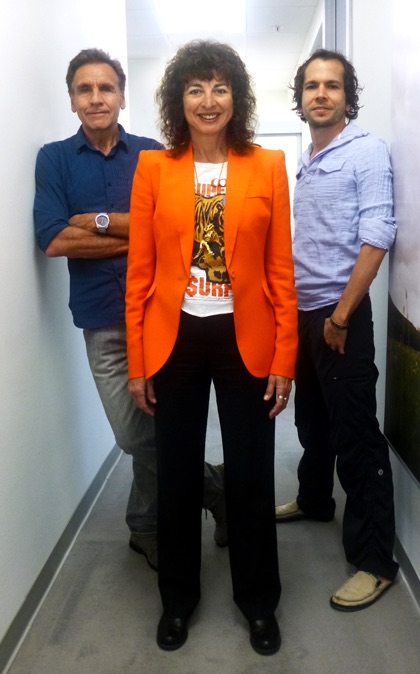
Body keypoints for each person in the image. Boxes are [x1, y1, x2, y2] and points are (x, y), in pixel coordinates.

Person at [125, 40, 298, 655]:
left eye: (220, 88)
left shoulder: (267, 166)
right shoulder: (154, 169)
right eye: (195, 88)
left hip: (243, 337)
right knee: (176, 472)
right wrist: (139, 362)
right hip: (174, 337)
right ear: (179, 100)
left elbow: (280, 271)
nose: (208, 100)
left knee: (250, 474)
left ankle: (258, 601)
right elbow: (139, 274)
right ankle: (177, 599)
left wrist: (284, 360)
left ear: (236, 98)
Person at [34, 48, 226, 573]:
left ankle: (144, 527)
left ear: (122, 96)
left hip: (164, 315)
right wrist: (138, 231)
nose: (96, 98)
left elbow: (175, 230)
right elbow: (54, 239)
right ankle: (216, 487)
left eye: (106, 88)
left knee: (158, 420)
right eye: (85, 89)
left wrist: (95, 221)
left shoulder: (154, 155)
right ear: (72, 99)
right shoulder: (54, 159)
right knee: (133, 433)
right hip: (102, 321)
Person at [275, 49, 399, 611]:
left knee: (355, 437)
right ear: (300, 99)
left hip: (338, 315)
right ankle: (314, 500)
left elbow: (377, 236)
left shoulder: (365, 151)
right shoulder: (309, 157)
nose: (320, 94)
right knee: (312, 421)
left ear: (349, 97)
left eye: (332, 85)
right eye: (311, 86)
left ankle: (375, 562)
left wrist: (342, 316)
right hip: (305, 313)